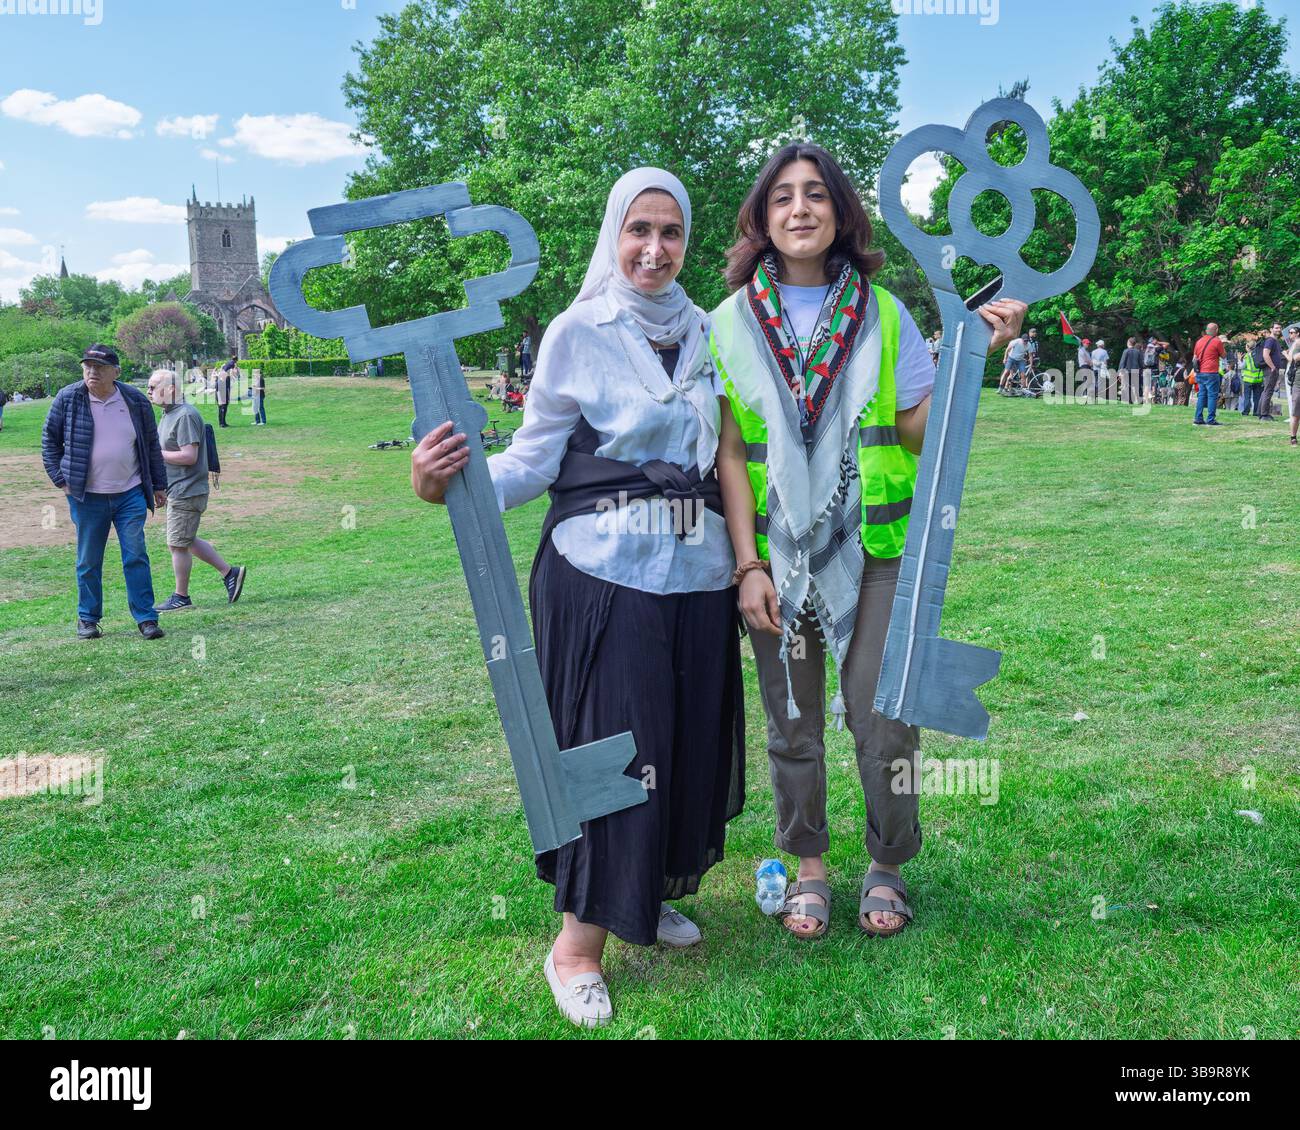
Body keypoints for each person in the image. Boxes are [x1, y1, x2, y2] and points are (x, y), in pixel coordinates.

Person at [410, 168, 744, 1028]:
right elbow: (532, 459)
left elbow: (730, 458)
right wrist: (448, 482)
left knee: (681, 742)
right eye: (639, 229)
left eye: (671, 232)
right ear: (613, 233)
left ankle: (645, 897)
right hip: (602, 576)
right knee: (615, 753)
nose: (654, 249)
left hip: (697, 577)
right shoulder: (576, 331)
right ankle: (577, 946)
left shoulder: (711, 332)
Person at [708, 142, 1026, 942]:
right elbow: (730, 455)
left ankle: (886, 862)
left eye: (817, 194)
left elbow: (918, 428)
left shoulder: (884, 315)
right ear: (762, 217)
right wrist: (747, 564)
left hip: (877, 551)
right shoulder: (726, 325)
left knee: (885, 717)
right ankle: (809, 864)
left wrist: (984, 353)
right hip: (776, 556)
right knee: (792, 720)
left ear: (843, 212)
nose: (801, 209)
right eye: (783, 197)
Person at [40, 344, 167, 640]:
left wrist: (159, 486)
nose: (92, 372)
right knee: (88, 559)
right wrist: (61, 480)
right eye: (87, 366)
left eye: (99, 367)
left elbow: (151, 445)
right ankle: (87, 618)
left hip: (130, 493)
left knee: (136, 555)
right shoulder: (68, 398)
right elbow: (49, 441)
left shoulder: (134, 399)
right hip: (87, 496)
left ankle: (146, 618)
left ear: (116, 372)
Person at [146, 370, 247, 611]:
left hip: (187, 489)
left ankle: (182, 597)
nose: (148, 391)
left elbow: (189, 456)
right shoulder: (168, 414)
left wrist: (156, 456)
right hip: (176, 488)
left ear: (170, 389)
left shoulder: (185, 416)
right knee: (185, 539)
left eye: (152, 386)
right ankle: (229, 572)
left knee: (177, 544)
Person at [1192, 322, 1227, 426]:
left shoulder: (1199, 341)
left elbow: (1195, 357)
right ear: (1216, 330)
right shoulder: (1217, 341)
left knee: (1202, 395)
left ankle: (1198, 418)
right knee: (1212, 396)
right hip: (1211, 372)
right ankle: (1211, 419)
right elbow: (1224, 355)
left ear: (1207, 330)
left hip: (1200, 372)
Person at [1255, 322, 1285, 421]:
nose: (1278, 330)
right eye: (1276, 328)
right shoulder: (1270, 340)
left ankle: (1260, 412)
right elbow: (1265, 354)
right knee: (1268, 391)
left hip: (1271, 369)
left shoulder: (1274, 341)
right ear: (1271, 329)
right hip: (1270, 369)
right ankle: (1264, 415)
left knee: (1266, 391)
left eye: (1280, 328)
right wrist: (1272, 367)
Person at [1284, 326, 1300, 447]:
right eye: (1289, 333)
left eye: (1292, 332)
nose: (1290, 335)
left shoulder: (1297, 343)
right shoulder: (1295, 343)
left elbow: (1292, 359)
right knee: (1295, 411)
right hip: (1297, 381)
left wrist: (1285, 353)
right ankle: (1293, 437)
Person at [1116, 337, 1142, 405]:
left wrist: (1119, 372)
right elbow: (1141, 363)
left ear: (1129, 343)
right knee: (1136, 386)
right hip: (1136, 371)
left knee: (1127, 386)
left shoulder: (1126, 351)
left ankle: (1129, 400)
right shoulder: (1138, 351)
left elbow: (1122, 362)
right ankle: (1138, 400)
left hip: (1127, 371)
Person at [217, 355, 236, 427]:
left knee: (224, 408)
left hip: (225, 394)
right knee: (222, 408)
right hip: (222, 394)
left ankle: (223, 422)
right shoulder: (223, 377)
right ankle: (221, 423)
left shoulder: (226, 377)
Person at [1077, 337, 1093, 402]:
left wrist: (1091, 364)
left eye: (1088, 343)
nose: (1088, 344)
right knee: (1085, 381)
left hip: (1088, 367)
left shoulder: (1087, 351)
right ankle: (1084, 395)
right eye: (1086, 343)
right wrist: (1090, 363)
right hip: (1084, 366)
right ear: (1083, 343)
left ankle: (1087, 395)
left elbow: (1089, 359)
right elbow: (1085, 359)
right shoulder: (1081, 350)